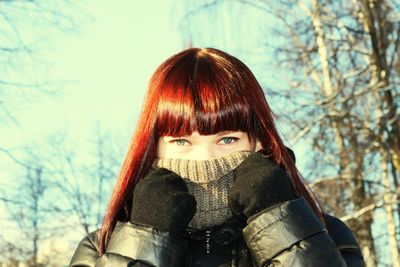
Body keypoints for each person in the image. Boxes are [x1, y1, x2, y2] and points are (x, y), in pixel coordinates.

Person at [69, 47, 365, 266]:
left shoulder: (324, 234)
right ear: (153, 148)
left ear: (258, 141)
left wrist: (280, 222)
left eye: (227, 139)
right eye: (182, 141)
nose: (204, 159)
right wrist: (144, 242)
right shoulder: (101, 249)